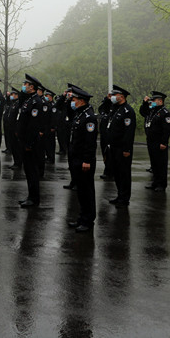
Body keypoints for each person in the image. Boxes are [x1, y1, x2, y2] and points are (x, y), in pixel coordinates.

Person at [66, 86, 99, 232]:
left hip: (84, 160)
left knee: (87, 191)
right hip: (76, 158)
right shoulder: (80, 114)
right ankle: (81, 217)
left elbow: (90, 142)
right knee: (81, 192)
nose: (71, 101)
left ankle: (88, 221)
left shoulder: (89, 117)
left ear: (81, 101)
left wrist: (87, 160)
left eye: (73, 99)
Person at [106, 85, 136, 207]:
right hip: (113, 147)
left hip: (122, 148)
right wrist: (109, 100)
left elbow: (129, 132)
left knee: (124, 174)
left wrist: (126, 149)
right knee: (117, 173)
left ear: (121, 96)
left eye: (114, 95)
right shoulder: (115, 108)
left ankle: (124, 199)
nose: (112, 97)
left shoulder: (128, 111)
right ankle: (119, 195)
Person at [17, 75, 44, 207]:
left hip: (31, 143)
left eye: (25, 84)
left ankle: (34, 199)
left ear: (31, 87)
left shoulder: (36, 102)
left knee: (32, 171)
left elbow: (33, 125)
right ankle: (30, 196)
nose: (24, 86)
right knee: (28, 170)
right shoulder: (29, 100)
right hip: (25, 140)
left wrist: (29, 143)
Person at [139, 91, 170, 191]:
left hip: (159, 142)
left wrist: (164, 142)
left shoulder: (165, 113)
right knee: (154, 164)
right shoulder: (152, 111)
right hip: (151, 141)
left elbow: (167, 129)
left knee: (161, 164)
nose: (151, 102)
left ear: (160, 101)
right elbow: (143, 112)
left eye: (153, 100)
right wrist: (144, 103)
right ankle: (155, 182)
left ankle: (161, 184)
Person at [97, 93, 114, 181]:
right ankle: (107, 170)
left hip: (110, 136)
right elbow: (101, 109)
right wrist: (106, 99)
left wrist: (109, 101)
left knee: (110, 154)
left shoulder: (114, 108)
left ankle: (110, 172)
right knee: (105, 154)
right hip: (104, 135)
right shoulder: (105, 108)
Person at [6, 88, 22, 169]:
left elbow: (18, 118)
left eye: (13, 95)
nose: (11, 96)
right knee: (13, 146)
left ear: (17, 95)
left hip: (15, 129)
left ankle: (18, 163)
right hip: (11, 128)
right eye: (11, 94)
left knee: (16, 147)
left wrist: (17, 129)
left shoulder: (19, 104)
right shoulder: (13, 103)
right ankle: (15, 162)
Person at [43, 89, 58, 165]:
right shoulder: (46, 104)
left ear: (51, 97)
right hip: (46, 127)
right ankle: (48, 156)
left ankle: (51, 158)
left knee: (50, 144)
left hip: (50, 127)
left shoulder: (53, 105)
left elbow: (54, 118)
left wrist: (53, 127)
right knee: (46, 143)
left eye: (47, 96)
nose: (45, 97)